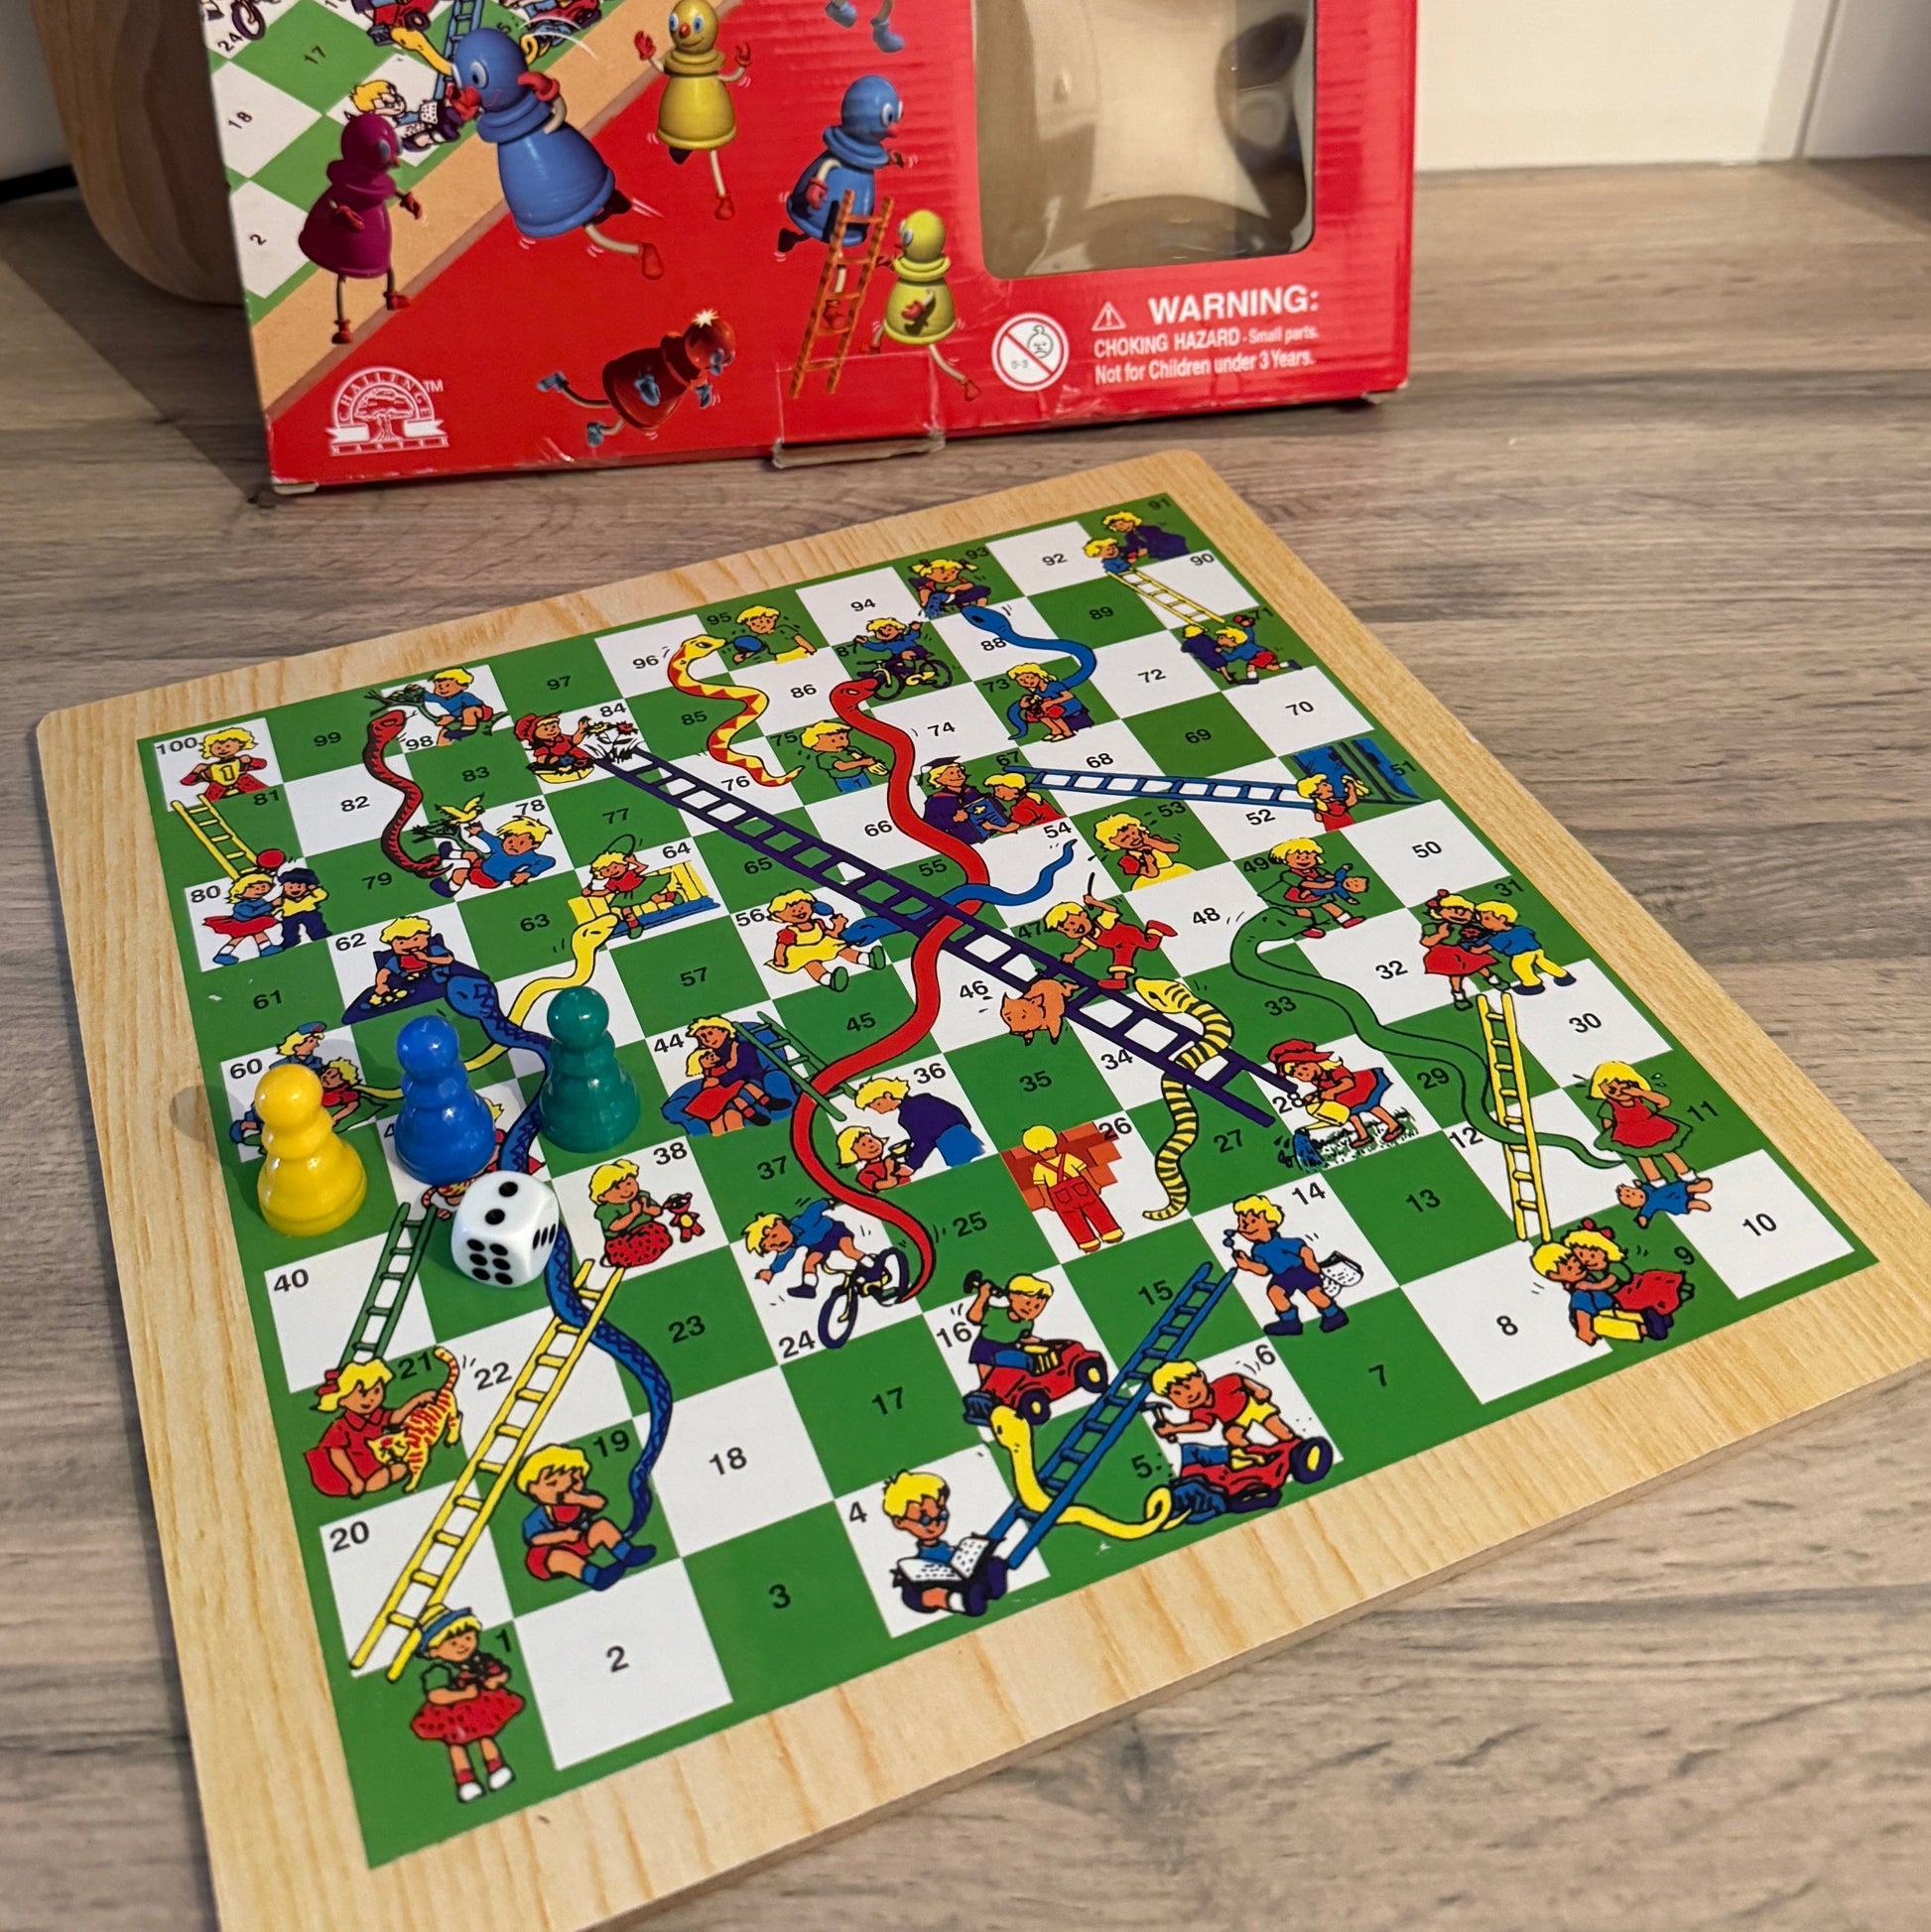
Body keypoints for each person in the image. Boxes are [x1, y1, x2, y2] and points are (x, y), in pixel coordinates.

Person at [409, 1608, 523, 1804]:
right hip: (451, 1714)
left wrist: (495, 1680)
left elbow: (500, 1672)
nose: (463, 1645)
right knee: (456, 1746)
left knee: (486, 1736)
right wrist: (463, 1694)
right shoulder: (439, 1669)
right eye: (453, 1643)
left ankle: (496, 1767)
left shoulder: (479, 1659)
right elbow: (436, 1694)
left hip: (479, 1708)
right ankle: (465, 1780)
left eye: (468, 1638)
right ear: (434, 1651)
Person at [304, 1358, 446, 1498]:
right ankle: (362, 1485)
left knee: (401, 1469)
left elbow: (395, 1417)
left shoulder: (376, 1415)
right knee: (364, 1480)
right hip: (339, 1471)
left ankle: (367, 1484)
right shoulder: (341, 1426)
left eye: (376, 1391)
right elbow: (336, 1454)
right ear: (342, 1400)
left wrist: (417, 1401)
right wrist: (353, 1479)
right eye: (363, 1394)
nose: (371, 1399)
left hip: (369, 1462)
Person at [883, 1470, 1008, 1617]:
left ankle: (984, 1590)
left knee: (992, 1564)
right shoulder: (912, 1565)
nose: (935, 1524)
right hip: (938, 1585)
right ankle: (960, 1601)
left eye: (942, 1515)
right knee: (919, 1594)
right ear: (900, 1522)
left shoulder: (952, 1549)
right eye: (925, 1520)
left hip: (963, 1576)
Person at [516, 1445, 641, 1589]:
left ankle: (628, 1554)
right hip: (545, 1556)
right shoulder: (541, 1513)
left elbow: (599, 1503)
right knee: (562, 1558)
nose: (561, 1488)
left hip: (579, 1542)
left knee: (602, 1526)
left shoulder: (578, 1499)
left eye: (570, 1478)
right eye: (552, 1484)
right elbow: (535, 1539)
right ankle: (595, 1577)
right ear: (533, 1489)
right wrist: (563, 1535)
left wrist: (579, 1498)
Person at [1225, 1195, 1348, 1335]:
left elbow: (1304, 1250)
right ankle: (1290, 1322)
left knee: (1314, 1294)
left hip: (1300, 1271)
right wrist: (1248, 1265)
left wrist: (1311, 1264)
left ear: (1270, 1223)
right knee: (1274, 1293)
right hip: (1281, 1276)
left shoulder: (1282, 1243)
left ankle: (1334, 1315)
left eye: (1253, 1220)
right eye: (1242, 1223)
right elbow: (1265, 1270)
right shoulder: (1257, 1250)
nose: (1245, 1227)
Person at [662, 1016, 793, 1134]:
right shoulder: (712, 1056)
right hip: (725, 1086)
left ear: (724, 1030)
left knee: (742, 1090)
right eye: (702, 1037)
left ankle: (765, 1103)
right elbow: (719, 1072)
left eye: (710, 1033)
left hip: (741, 1082)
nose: (707, 1039)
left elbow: (741, 1071)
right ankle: (745, 1116)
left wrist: (719, 1078)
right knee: (675, 1107)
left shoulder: (742, 1047)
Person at [1267, 1039, 1407, 1149]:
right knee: (1351, 1114)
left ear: (1314, 1060)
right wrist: (1314, 1096)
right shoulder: (1316, 1079)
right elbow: (1323, 1089)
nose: (1303, 1075)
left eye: (1303, 1069)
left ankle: (1393, 1125)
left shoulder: (1334, 1069)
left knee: (1372, 1106)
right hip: (1344, 1098)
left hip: (1361, 1088)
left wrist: (1331, 1092)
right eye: (1297, 1075)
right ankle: (1363, 1135)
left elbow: (1348, 1083)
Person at [1149, 1359, 1305, 1454]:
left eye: (1188, 1387)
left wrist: (1258, 1390)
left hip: (1253, 1405)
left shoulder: (1223, 1384)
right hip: (1235, 1420)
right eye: (1177, 1394)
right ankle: (1258, 1454)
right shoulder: (1200, 1410)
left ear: (1201, 1377)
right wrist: (1174, 1428)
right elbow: (1202, 1425)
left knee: (1275, 1426)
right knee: (1232, 1436)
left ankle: (1295, 1445)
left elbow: (1241, 1380)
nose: (1187, 1395)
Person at [1020, 1124, 1120, 1252]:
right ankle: (1087, 1242)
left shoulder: (1066, 1158)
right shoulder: (1040, 1167)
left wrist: (1094, 1184)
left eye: (1049, 1148)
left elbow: (1083, 1172)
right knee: (1072, 1219)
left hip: (1079, 1189)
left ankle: (1110, 1231)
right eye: (1042, 1151)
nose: (1047, 1152)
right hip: (1062, 1195)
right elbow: (1042, 1186)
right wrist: (1047, 1200)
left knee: (1096, 1209)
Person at [853, 1074, 982, 1172]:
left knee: (970, 1170)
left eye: (877, 1104)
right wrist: (964, 1130)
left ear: (888, 1095)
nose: (878, 1109)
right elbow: (956, 1112)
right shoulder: (924, 1098)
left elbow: (924, 1143)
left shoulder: (905, 1117)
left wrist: (911, 1166)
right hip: (964, 1135)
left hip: (950, 1145)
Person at [1590, 1063, 1696, 1183]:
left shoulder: (1641, 1099)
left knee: (1668, 1151)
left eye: (1625, 1087)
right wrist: (1613, 1137)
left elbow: (1664, 1102)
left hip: (1654, 1128)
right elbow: (1608, 1124)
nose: (1619, 1092)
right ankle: (1656, 1182)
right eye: (1612, 1090)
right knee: (1644, 1158)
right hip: (1630, 1135)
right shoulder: (1609, 1106)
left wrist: (1641, 1093)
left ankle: (1687, 1175)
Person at [1041, 895, 1173, 990]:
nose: (1073, 929)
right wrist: (1072, 956)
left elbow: (1112, 910)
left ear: (1083, 915)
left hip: (1129, 935)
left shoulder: (1102, 922)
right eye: (1066, 930)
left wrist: (1095, 902)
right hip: (1119, 946)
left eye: (1072, 923)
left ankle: (1154, 928)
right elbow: (1084, 947)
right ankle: (1119, 981)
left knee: (1150, 945)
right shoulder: (1090, 938)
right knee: (1121, 961)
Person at [744, 1200, 870, 1299]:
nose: (778, 1244)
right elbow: (784, 1257)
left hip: (834, 1232)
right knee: (809, 1263)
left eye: (775, 1236)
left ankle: (873, 1266)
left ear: (780, 1223)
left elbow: (814, 1209)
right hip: (819, 1245)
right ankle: (808, 1288)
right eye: (772, 1247)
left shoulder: (801, 1223)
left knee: (849, 1251)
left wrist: (828, 1202)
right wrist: (772, 1271)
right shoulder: (791, 1245)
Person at [766, 889, 882, 988]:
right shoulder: (789, 932)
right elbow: (781, 946)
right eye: (793, 911)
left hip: (822, 946)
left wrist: (838, 925)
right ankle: (829, 980)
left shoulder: (818, 923)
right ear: (779, 917)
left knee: (842, 948)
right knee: (812, 964)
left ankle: (868, 959)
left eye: (802, 907)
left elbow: (831, 935)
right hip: (802, 953)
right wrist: (779, 959)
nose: (799, 911)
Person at [1268, 837, 1367, 937]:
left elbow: (1325, 875)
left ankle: (1346, 920)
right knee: (1304, 912)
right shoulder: (1288, 874)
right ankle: (1305, 928)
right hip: (1298, 897)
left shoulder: (1317, 870)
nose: (1303, 860)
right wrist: (1323, 885)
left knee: (1331, 906)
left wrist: (1331, 878)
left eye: (1308, 856)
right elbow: (1304, 883)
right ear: (1285, 861)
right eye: (1298, 857)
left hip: (1318, 894)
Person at [1471, 901, 1574, 994]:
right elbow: (1530, 933)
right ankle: (1563, 976)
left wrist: (1478, 950)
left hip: (1521, 955)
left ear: (1502, 919)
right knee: (1544, 963)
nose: (1482, 922)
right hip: (1536, 950)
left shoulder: (1502, 936)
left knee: (1521, 968)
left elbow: (1491, 946)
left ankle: (1533, 984)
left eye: (1487, 918)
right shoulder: (1520, 928)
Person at [1417, 889, 1498, 1008]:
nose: (1460, 914)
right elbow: (1426, 942)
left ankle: (1492, 979)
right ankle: (1458, 994)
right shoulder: (1434, 926)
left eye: (1465, 911)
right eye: (1454, 910)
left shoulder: (1472, 925)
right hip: (1448, 954)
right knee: (1456, 975)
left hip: (1467, 951)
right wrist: (1440, 935)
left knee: (1480, 965)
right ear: (1440, 913)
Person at [589, 1158, 673, 1267]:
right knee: (630, 1248)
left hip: (647, 1230)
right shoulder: (606, 1209)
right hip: (622, 1240)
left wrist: (646, 1209)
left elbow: (658, 1211)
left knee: (658, 1233)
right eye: (617, 1188)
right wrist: (633, 1214)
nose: (626, 1190)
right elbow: (614, 1226)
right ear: (602, 1197)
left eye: (628, 1183)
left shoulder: (641, 1196)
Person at [444, 813, 556, 893]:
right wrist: (479, 832)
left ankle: (449, 890)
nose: (513, 845)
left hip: (490, 879)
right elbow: (490, 839)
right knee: (472, 855)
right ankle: (449, 854)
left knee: (460, 873)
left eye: (521, 843)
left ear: (534, 846)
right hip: (480, 866)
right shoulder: (500, 845)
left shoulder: (529, 857)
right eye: (510, 841)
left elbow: (549, 861)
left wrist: (527, 873)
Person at [920, 757, 1009, 844]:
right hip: (963, 840)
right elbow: (929, 825)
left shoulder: (970, 791)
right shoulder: (936, 800)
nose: (958, 776)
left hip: (991, 832)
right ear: (938, 779)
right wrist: (954, 819)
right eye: (951, 773)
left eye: (959, 772)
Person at [203, 870, 283, 966]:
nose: (261, 890)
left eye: (263, 887)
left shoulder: (259, 900)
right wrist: (271, 904)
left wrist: (272, 910)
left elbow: (262, 909)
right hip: (241, 924)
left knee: (258, 933)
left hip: (253, 923)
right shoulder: (241, 905)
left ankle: (266, 948)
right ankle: (223, 954)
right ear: (241, 892)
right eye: (256, 888)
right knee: (237, 938)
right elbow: (251, 913)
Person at [1094, 813, 1188, 888]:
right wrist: (1149, 860)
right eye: (1124, 839)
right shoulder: (1127, 860)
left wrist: (1149, 841)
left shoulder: (1154, 841)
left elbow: (1174, 848)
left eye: (1133, 833)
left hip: (1175, 871)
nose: (1133, 838)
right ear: (1115, 845)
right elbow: (1152, 874)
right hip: (1152, 883)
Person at [179, 726, 269, 801]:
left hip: (247, 787)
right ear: (210, 750)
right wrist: (196, 771)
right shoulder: (210, 769)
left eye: (227, 746)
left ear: (240, 744)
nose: (223, 750)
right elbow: (186, 782)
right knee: (213, 791)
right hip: (219, 792)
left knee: (248, 781)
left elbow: (262, 764)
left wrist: (251, 760)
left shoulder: (241, 762)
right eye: (218, 748)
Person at [1008, 662, 1092, 741]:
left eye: (1030, 677)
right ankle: (1055, 730)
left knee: (1052, 713)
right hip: (1054, 707)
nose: (1027, 681)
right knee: (1039, 714)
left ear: (1039, 675)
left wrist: (1051, 703)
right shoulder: (1037, 691)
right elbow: (1035, 702)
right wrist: (1025, 702)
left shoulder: (1054, 685)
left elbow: (1069, 696)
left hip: (1069, 705)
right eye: (1022, 680)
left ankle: (1067, 732)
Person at [800, 718, 886, 792]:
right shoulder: (824, 757)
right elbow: (841, 766)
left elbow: (863, 758)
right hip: (844, 780)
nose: (840, 742)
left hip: (861, 775)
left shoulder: (853, 749)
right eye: (833, 741)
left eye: (842, 738)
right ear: (816, 747)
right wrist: (863, 762)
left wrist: (872, 764)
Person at [1615, 1175, 1713, 1228]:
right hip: (1672, 1204)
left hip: (1671, 1190)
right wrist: (1642, 1219)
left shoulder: (1648, 1190)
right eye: (1629, 1197)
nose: (1633, 1194)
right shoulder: (1648, 1206)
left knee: (1681, 1187)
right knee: (1683, 1205)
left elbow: (1644, 1186)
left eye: (1631, 1191)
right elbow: (1645, 1214)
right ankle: (1695, 1204)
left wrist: (1640, 1184)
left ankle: (1698, 1187)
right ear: (1633, 1206)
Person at [837, 1122, 913, 1192]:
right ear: (854, 1155)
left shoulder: (890, 1161)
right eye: (863, 1145)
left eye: (870, 1141)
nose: (871, 1146)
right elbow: (890, 1184)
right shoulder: (865, 1174)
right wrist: (889, 1168)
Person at [978, 770, 1062, 828]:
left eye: (998, 789)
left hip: (1053, 826)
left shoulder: (1023, 805)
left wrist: (991, 826)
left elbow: (1013, 827)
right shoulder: (1032, 797)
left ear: (1014, 789)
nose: (996, 794)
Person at [1294, 770, 1367, 834]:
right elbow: (1352, 801)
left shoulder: (1321, 806)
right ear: (1316, 791)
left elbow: (1318, 818)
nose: (1330, 785)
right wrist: (1351, 787)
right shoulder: (1332, 805)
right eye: (1325, 785)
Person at [276, 867, 329, 949]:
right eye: (290, 887)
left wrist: (314, 889)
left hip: (308, 912)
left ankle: (319, 934)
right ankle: (291, 940)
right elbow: (277, 909)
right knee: (289, 929)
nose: (294, 890)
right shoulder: (284, 900)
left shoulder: (309, 896)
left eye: (299, 886)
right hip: (290, 916)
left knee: (314, 924)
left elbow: (322, 895)